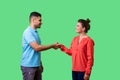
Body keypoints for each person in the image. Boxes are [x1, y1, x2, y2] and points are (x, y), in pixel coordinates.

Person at [21, 11, 58, 80]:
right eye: (40, 20)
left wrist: (40, 63)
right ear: (33, 20)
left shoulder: (35, 32)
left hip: (36, 65)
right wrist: (52, 45)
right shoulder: (28, 32)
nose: (41, 22)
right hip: (29, 66)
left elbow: (36, 52)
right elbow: (37, 48)